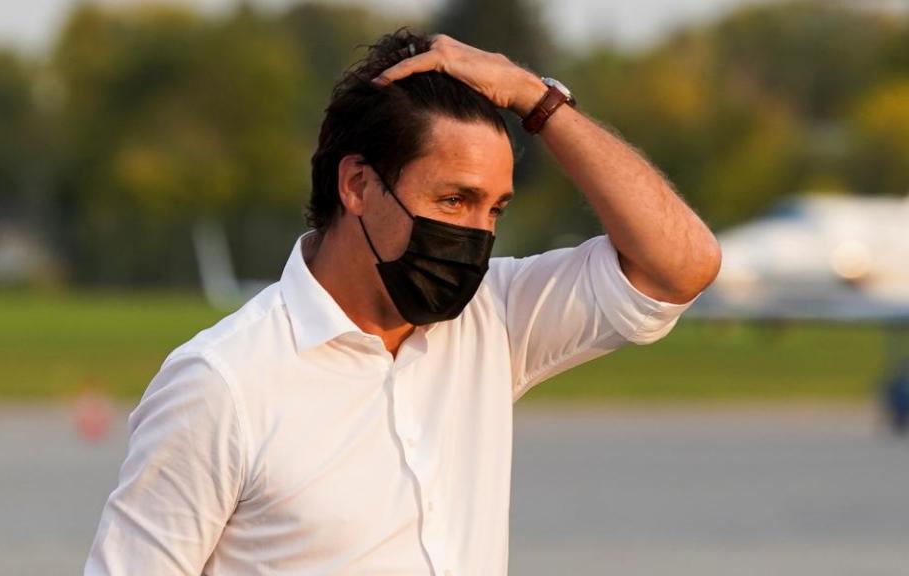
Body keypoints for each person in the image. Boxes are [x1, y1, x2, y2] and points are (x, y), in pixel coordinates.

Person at [85, 29, 721, 575]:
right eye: (453, 200)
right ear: (359, 185)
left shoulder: (494, 317)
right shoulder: (223, 384)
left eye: (493, 208)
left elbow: (682, 265)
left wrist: (536, 99)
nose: (476, 234)